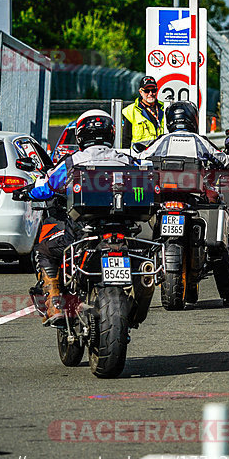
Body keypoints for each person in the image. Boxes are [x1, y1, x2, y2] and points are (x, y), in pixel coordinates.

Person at [17, 110, 138, 325]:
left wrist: (27, 191)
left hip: (84, 232)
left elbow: (48, 186)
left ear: (81, 135)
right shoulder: (126, 159)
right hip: (124, 232)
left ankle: (55, 302)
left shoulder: (74, 161)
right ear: (111, 134)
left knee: (43, 250)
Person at [139, 101, 229, 307]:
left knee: (143, 240)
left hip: (164, 201)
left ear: (170, 121)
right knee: (217, 246)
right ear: (193, 119)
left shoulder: (162, 141)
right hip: (193, 200)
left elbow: (141, 158)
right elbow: (223, 160)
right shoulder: (199, 141)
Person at [121, 76, 165, 149]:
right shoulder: (130, 111)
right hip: (139, 156)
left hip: (161, 155)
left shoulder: (165, 108)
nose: (150, 93)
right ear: (140, 92)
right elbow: (125, 140)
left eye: (153, 90)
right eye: (147, 91)